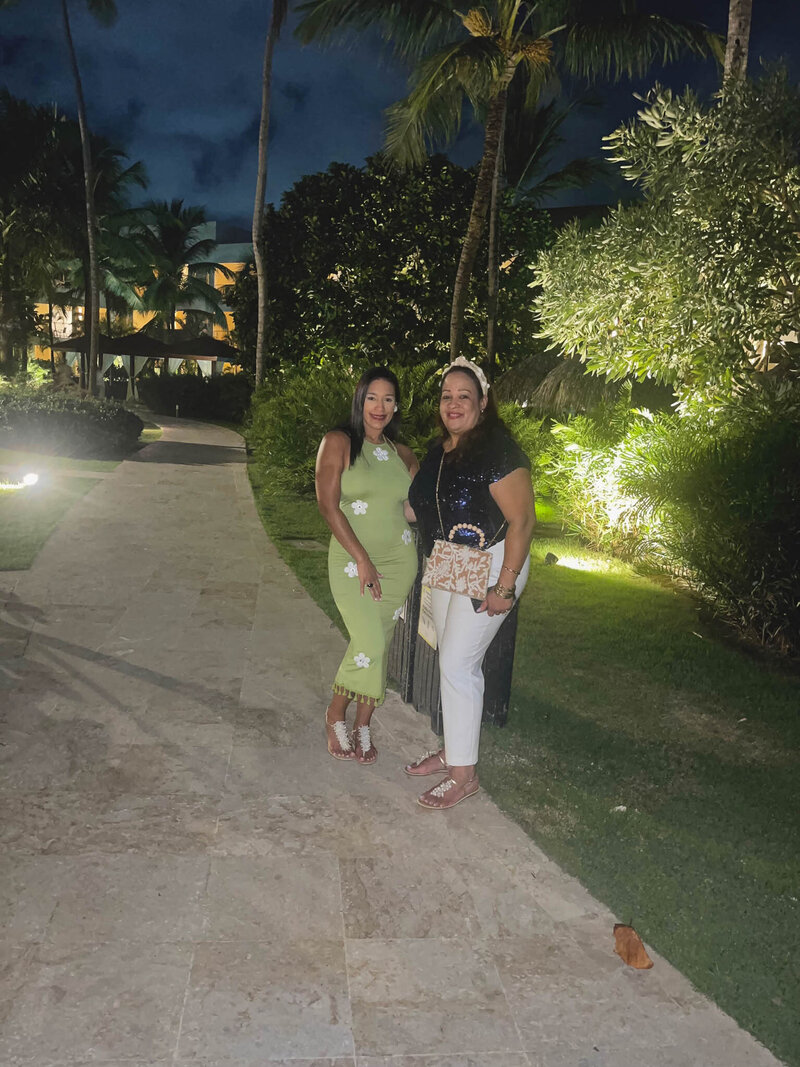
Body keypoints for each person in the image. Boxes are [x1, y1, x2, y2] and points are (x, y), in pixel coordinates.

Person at [405, 356, 536, 808]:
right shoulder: (439, 451)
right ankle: (454, 751)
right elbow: (417, 506)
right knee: (452, 660)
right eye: (446, 396)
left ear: (483, 402)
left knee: (459, 663)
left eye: (464, 396)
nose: (454, 404)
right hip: (449, 563)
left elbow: (522, 521)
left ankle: (464, 776)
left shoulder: (499, 450)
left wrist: (505, 586)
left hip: (494, 563)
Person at [316, 367, 419, 764]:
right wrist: (362, 559)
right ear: (360, 400)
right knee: (369, 642)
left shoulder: (402, 453)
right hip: (353, 560)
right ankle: (336, 715)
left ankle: (363, 724)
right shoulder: (338, 442)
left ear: (396, 406)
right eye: (373, 398)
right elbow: (328, 505)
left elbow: (411, 510)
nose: (381, 407)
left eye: (389, 399)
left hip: (398, 560)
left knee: (379, 642)